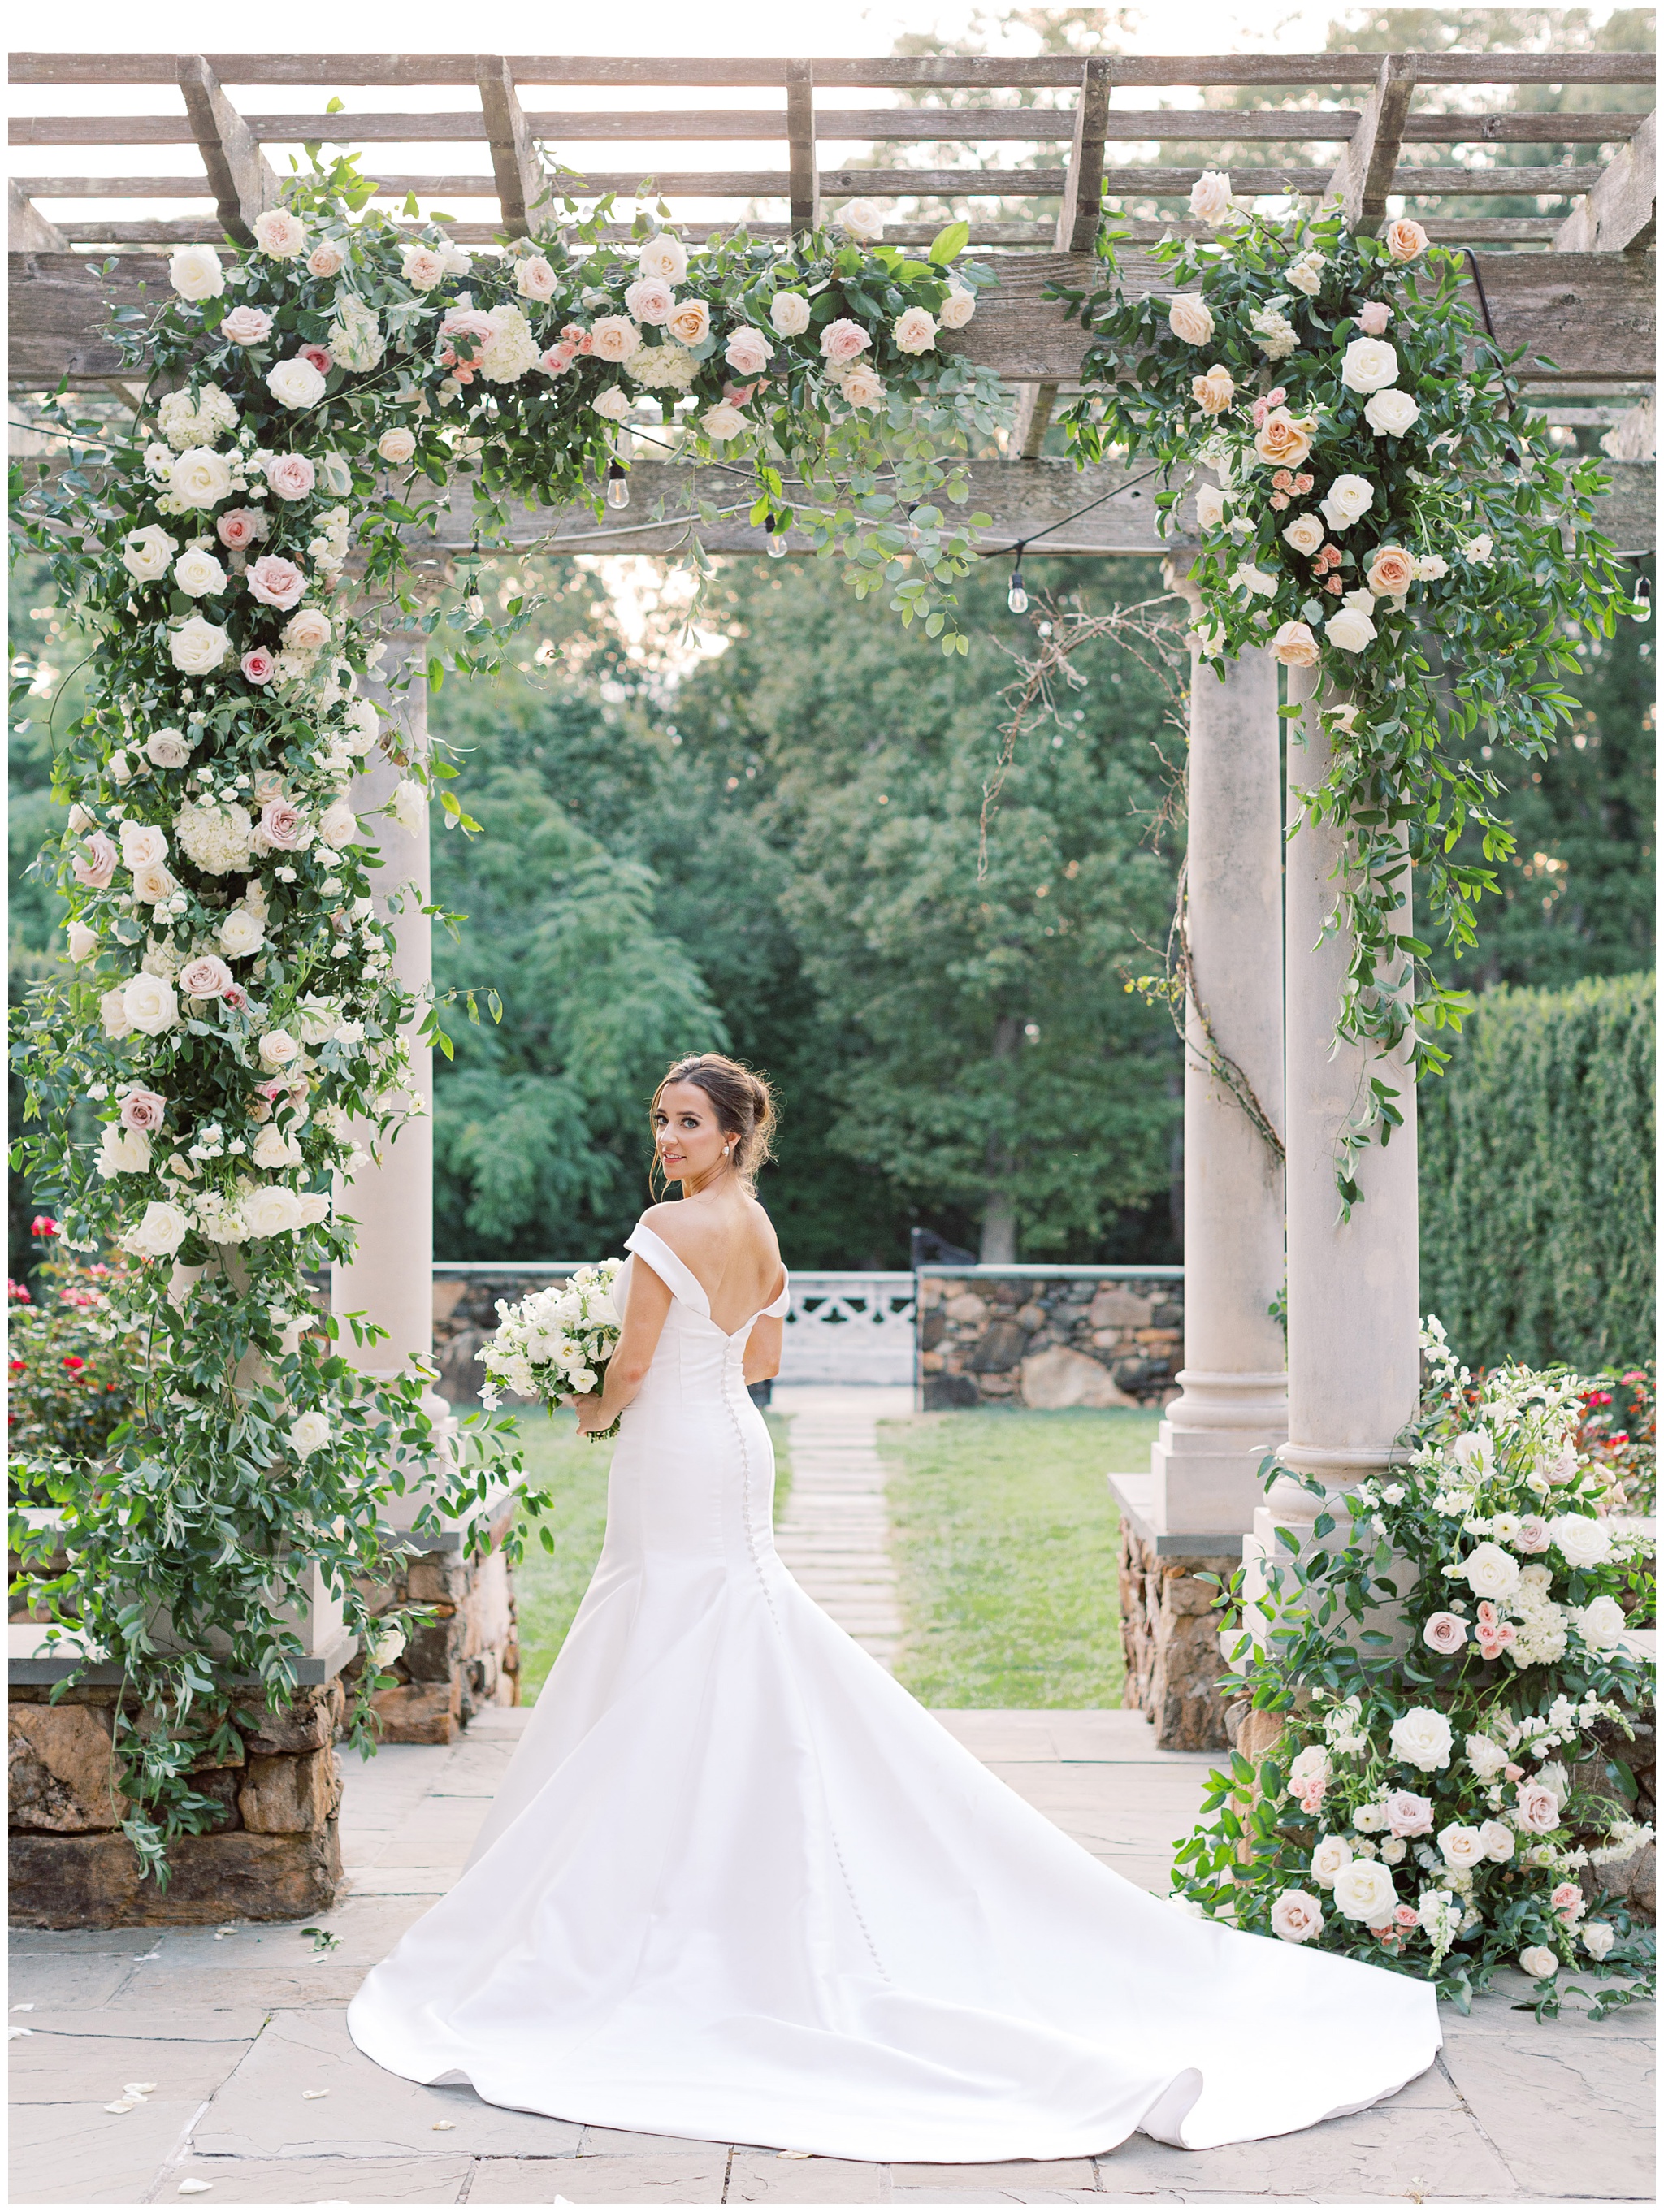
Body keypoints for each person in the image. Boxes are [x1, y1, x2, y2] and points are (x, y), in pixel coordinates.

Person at [348, 1051, 1439, 2161]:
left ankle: (656, 1888)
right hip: (732, 1443)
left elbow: (626, 1375)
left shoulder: (662, 1231)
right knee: (719, 1629)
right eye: (660, 1120)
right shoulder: (759, 1229)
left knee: (666, 1631)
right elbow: (762, 1352)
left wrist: (573, 1396)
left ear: (732, 1132)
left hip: (673, 1454)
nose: (667, 1138)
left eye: (687, 1122)